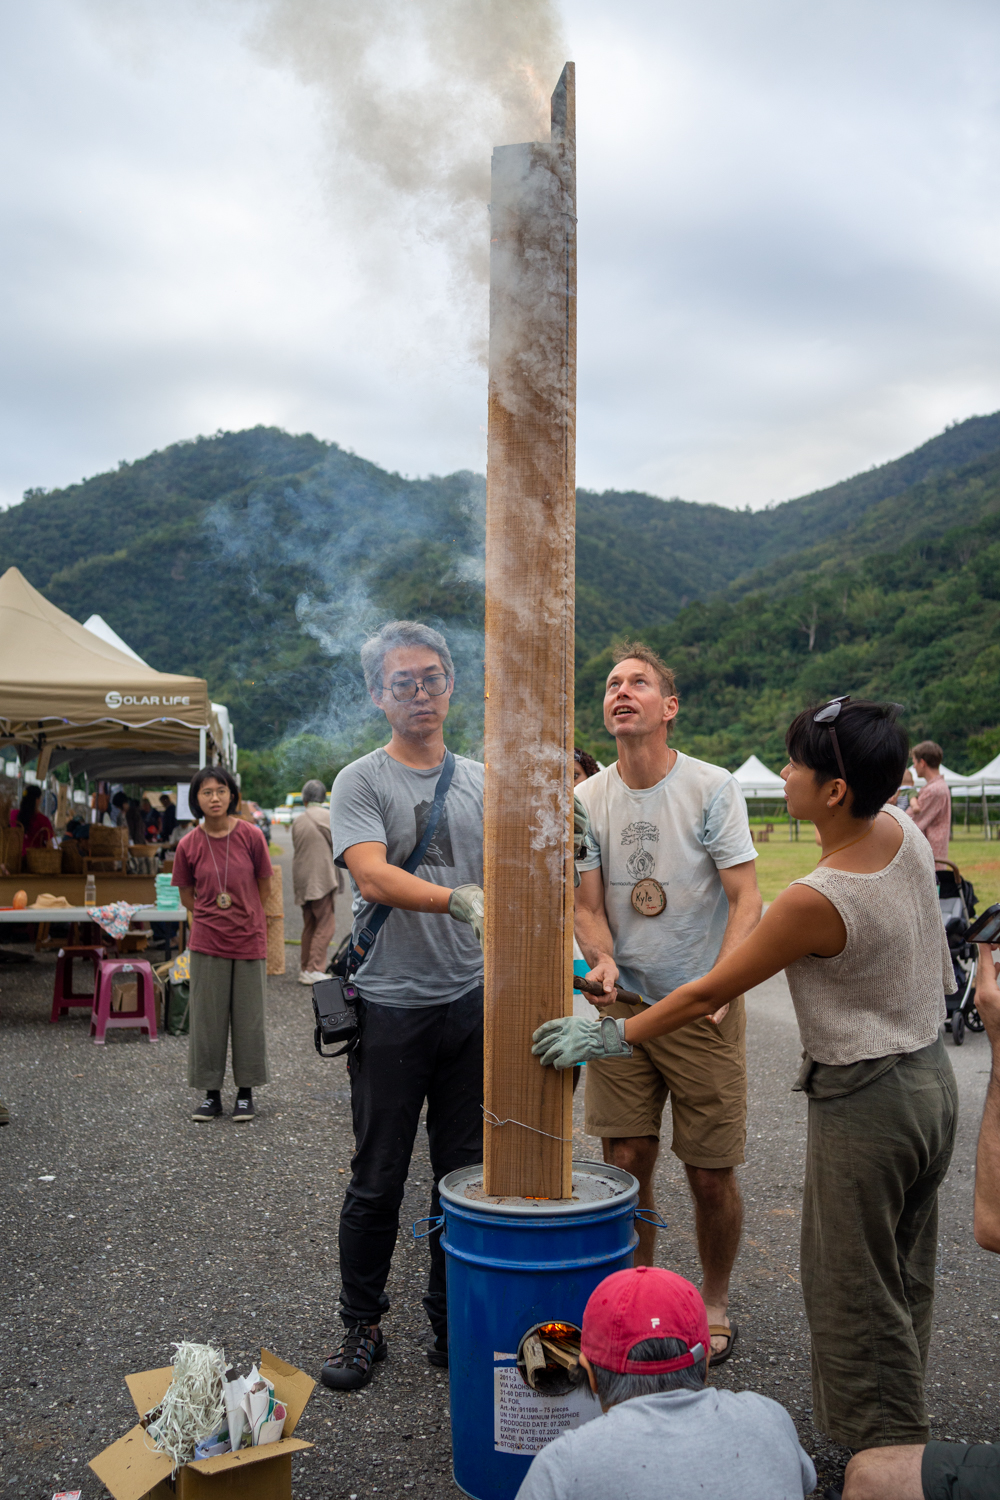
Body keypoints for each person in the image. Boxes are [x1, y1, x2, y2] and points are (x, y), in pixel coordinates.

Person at [536, 696, 958, 1454]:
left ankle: (879, 1457)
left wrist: (613, 1032)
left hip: (868, 1099)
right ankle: (901, 1430)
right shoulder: (899, 833)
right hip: (932, 1084)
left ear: (833, 791)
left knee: (850, 1290)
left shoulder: (816, 898)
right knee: (901, 1273)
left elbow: (707, 991)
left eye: (797, 764)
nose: (786, 774)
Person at [572, 642, 762, 1362]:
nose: (622, 692)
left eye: (639, 683)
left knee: (711, 1170)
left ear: (668, 707)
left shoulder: (711, 787)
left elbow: (747, 897)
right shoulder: (585, 799)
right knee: (626, 1159)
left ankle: (712, 1299)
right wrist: (603, 957)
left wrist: (723, 982)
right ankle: (641, 1297)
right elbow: (585, 906)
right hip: (624, 1003)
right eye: (613, 683)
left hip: (699, 1001)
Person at [321, 620, 485, 1392]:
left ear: (451, 684)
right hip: (390, 1005)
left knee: (464, 1175)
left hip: (471, 1002)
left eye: (431, 678)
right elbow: (375, 878)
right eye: (402, 682)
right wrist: (456, 900)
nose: (419, 693)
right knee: (378, 1174)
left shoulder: (484, 780)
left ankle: (454, 1321)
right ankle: (363, 1325)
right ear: (376, 696)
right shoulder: (362, 781)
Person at [840, 939, 1000, 1500]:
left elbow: (992, 1223)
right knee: (905, 1263)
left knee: (867, 1479)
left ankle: (888, 1437)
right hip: (919, 1073)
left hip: (877, 1081)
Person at [515, 1265, 815, 1500]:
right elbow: (804, 1482)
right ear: (706, 1362)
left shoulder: (564, 1465)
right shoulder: (768, 1417)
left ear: (591, 1376)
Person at [172, 765, 273, 1124]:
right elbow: (187, 895)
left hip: (248, 939)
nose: (214, 798)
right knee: (207, 1021)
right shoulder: (188, 844)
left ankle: (245, 1094)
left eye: (220, 791)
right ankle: (210, 1094)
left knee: (248, 1021)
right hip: (207, 941)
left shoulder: (251, 835)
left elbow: (264, 886)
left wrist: (246, 914)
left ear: (232, 795)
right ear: (196, 800)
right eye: (206, 792)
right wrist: (212, 913)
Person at [291, 778, 343, 984]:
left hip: (302, 879)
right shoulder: (328, 816)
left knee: (309, 924)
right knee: (326, 924)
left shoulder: (298, 820)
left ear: (304, 799)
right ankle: (315, 969)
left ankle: (305, 967)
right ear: (323, 798)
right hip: (321, 878)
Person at [907, 741, 951, 869]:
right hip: (933, 860)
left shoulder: (934, 790)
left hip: (930, 862)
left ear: (922, 763)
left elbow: (910, 821)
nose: (913, 767)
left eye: (914, 762)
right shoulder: (938, 787)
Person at [11, 785, 54, 849]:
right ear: (37, 800)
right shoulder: (43, 820)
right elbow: (50, 845)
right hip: (34, 857)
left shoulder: (13, 814)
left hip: (15, 855)